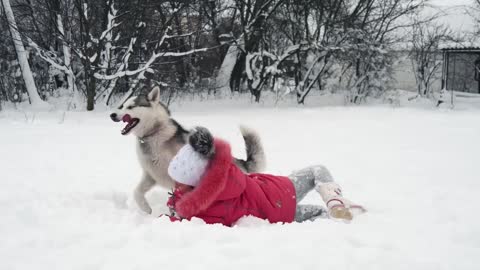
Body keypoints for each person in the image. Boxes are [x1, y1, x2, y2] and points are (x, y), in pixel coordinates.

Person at [165, 127, 365, 226]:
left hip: (280, 214)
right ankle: (334, 200)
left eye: (179, 180)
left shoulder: (200, 209)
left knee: (317, 213)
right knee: (316, 170)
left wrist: (173, 211)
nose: (175, 184)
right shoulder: (228, 173)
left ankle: (331, 214)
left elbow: (184, 217)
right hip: (280, 190)